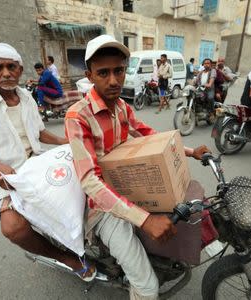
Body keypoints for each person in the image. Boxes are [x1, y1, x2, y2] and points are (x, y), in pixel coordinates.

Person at [65, 34, 210, 300]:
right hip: (103, 207)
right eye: (103, 73)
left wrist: (189, 152)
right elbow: (89, 181)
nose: (113, 80)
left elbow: (149, 136)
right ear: (90, 75)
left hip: (129, 185)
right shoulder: (78, 116)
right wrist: (145, 220)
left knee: (192, 206)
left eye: (119, 71)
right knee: (147, 288)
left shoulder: (121, 107)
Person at [0, 43, 95, 281]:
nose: (6, 73)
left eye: (11, 67)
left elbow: (39, 133)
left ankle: (91, 240)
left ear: (20, 70)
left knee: (88, 183)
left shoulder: (26, 97)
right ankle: (66, 258)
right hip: (6, 177)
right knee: (14, 229)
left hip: (38, 163)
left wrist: (67, 142)